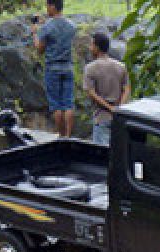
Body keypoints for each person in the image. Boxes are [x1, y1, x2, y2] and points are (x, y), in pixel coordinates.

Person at [33, 0, 77, 138]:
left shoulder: (46, 27)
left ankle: (61, 135)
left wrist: (34, 33)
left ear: (52, 6)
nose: (46, 8)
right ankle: (68, 136)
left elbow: (40, 49)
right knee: (68, 104)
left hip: (53, 68)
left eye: (47, 5)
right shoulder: (71, 26)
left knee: (56, 105)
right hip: (68, 67)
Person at [82, 31, 129, 146]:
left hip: (101, 117)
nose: (90, 48)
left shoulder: (90, 68)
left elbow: (91, 93)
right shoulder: (121, 66)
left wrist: (110, 108)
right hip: (119, 119)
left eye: (92, 45)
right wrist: (119, 108)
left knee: (101, 156)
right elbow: (127, 89)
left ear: (97, 47)